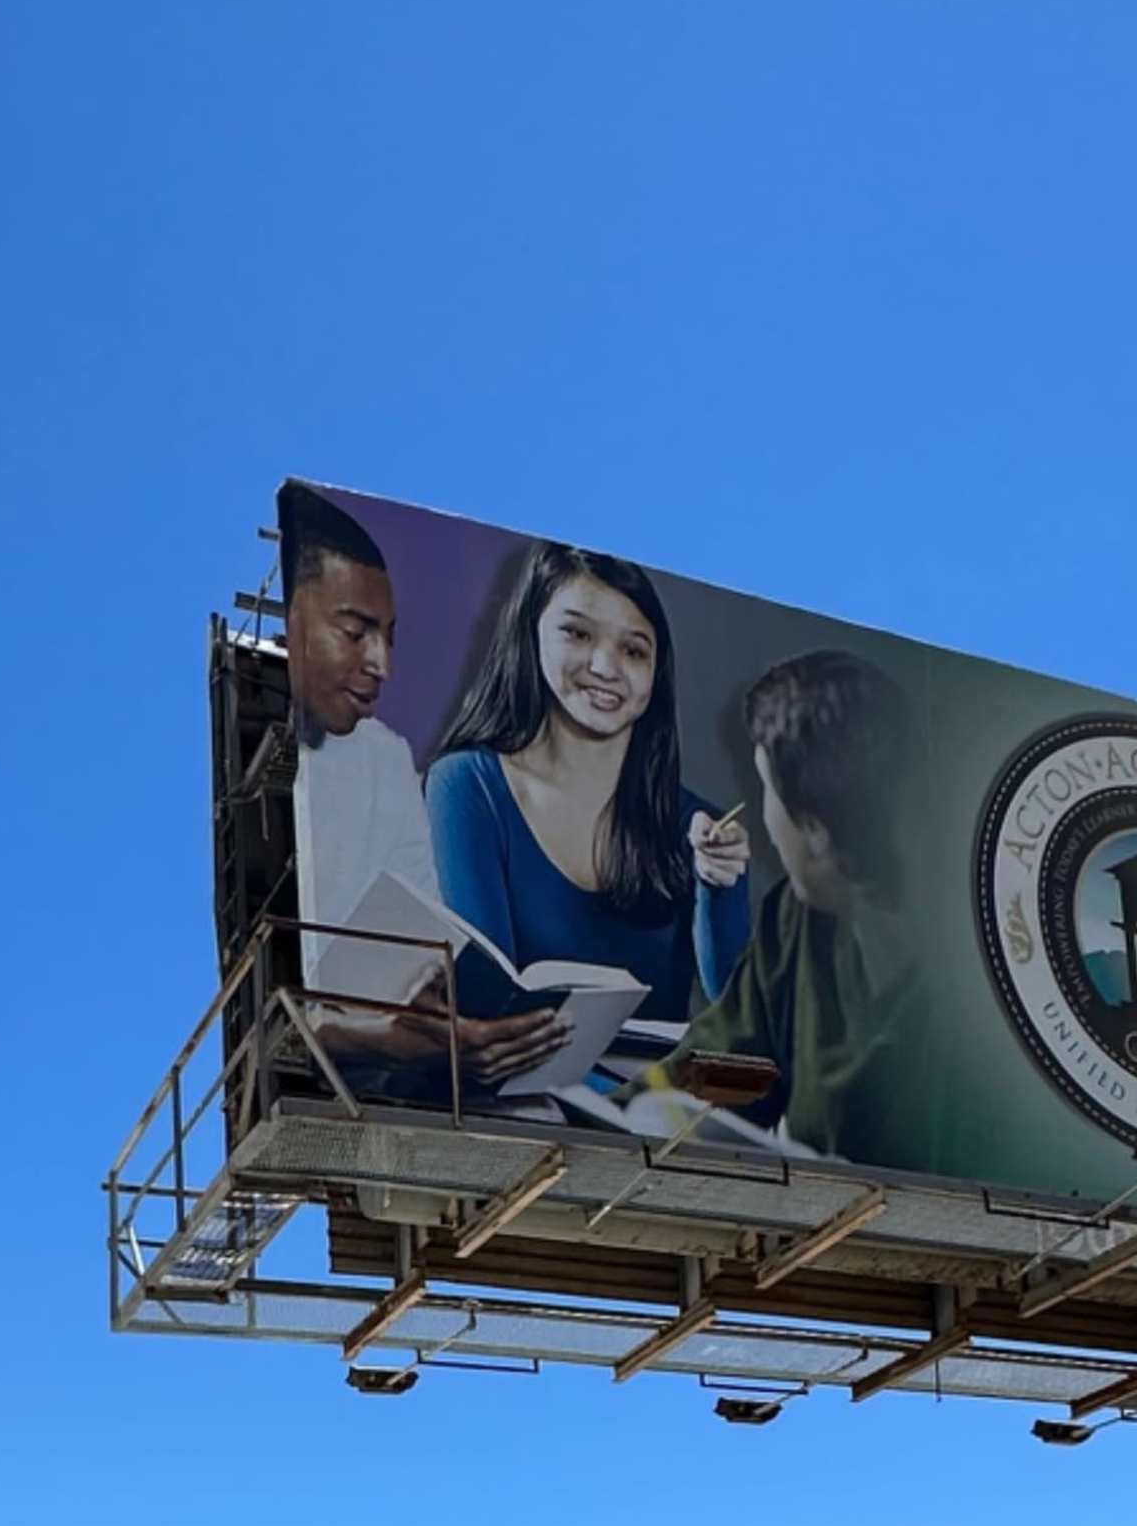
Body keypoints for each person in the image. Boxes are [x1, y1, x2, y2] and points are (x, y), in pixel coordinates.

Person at [276, 485, 558, 1100]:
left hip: (391, 1072)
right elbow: (275, 1020)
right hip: (330, 1080)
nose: (383, 663)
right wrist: (369, 1033)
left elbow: (426, 921)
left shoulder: (385, 756)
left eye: (389, 637)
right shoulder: (264, 771)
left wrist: (432, 998)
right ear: (291, 621)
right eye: (355, 632)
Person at [671, 645, 997, 1175]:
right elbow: (711, 1060)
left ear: (816, 830)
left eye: (765, 790)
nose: (761, 815)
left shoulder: (979, 976)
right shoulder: (794, 919)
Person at [423, 544, 752, 1036]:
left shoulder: (703, 828)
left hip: (653, 1107)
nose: (605, 666)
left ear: (655, 674)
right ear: (529, 631)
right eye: (577, 633)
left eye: (634, 650)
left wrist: (719, 889)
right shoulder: (468, 784)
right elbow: (483, 999)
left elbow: (736, 1009)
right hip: (512, 1102)